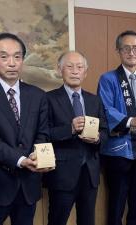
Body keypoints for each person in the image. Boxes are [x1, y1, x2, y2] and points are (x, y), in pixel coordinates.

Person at [0, 33, 52, 225]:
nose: (12, 63)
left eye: (17, 56)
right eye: (4, 56)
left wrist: (36, 156)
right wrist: (20, 160)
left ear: (23, 59)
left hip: (28, 186)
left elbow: (43, 132)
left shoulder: (38, 95)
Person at [97, 30, 136, 225]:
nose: (131, 52)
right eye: (126, 48)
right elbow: (105, 108)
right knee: (116, 203)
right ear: (118, 51)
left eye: (135, 48)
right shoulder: (108, 79)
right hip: (119, 152)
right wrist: (130, 121)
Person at [44, 51, 107, 225]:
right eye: (69, 67)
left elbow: (105, 132)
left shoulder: (95, 100)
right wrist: (70, 129)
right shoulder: (48, 99)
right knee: (57, 220)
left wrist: (97, 139)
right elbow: (43, 134)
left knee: (88, 221)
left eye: (79, 67)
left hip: (90, 173)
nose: (74, 71)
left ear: (85, 72)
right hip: (62, 173)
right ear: (60, 70)